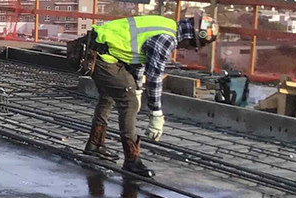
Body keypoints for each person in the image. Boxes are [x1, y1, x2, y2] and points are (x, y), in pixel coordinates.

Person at [81, 11, 217, 177]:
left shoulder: (165, 24)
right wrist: (156, 113)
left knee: (110, 95)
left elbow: (138, 58)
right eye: (192, 45)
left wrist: (138, 87)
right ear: (190, 38)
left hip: (96, 49)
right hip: (102, 55)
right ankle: (132, 160)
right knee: (128, 100)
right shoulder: (166, 39)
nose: (187, 48)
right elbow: (154, 78)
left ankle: (95, 144)